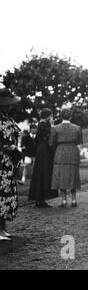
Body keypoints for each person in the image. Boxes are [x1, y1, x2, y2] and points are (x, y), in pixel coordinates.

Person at [0, 88, 22, 241]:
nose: (10, 107)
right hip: (2, 161)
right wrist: (16, 151)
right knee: (1, 194)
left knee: (6, 193)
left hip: (7, 163)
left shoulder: (6, 117)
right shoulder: (1, 120)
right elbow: (5, 143)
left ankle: (2, 228)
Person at [50, 108, 82, 208]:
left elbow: (51, 143)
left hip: (60, 152)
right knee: (73, 175)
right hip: (73, 151)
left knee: (61, 176)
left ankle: (64, 201)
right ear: (70, 116)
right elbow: (79, 141)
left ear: (61, 116)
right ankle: (74, 200)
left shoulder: (55, 128)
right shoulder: (77, 128)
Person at [28, 108, 58, 207]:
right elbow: (48, 138)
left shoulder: (40, 124)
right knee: (44, 173)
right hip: (45, 151)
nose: (52, 117)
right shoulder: (44, 125)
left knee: (40, 173)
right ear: (48, 116)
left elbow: (37, 140)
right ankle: (41, 198)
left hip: (41, 150)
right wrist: (52, 126)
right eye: (51, 115)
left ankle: (39, 198)